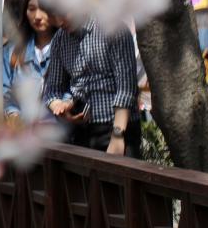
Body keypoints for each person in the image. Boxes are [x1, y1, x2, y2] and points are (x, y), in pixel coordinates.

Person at [43, 14, 140, 155]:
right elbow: (53, 90)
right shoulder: (60, 38)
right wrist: (60, 107)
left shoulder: (113, 28)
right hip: (82, 131)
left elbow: (126, 88)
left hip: (117, 126)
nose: (59, 21)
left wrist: (118, 135)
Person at [1, 0, 57, 115]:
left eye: (44, 9)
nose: (37, 16)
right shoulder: (12, 51)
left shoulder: (66, 48)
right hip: (21, 129)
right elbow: (4, 90)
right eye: (31, 9)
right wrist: (13, 114)